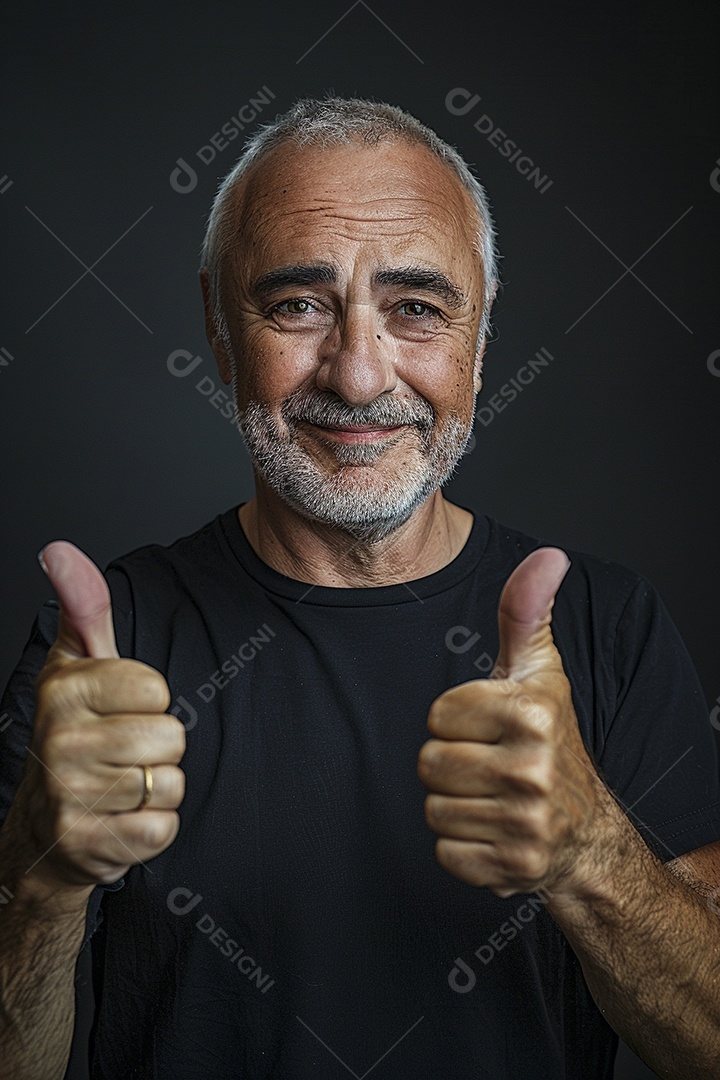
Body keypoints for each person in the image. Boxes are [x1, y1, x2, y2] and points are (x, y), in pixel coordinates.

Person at [1, 96, 719, 1080]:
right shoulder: (101, 655)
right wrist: (39, 878)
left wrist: (591, 855)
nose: (356, 372)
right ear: (217, 324)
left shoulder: (607, 626)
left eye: (415, 308)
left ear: (483, 330)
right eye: (298, 305)